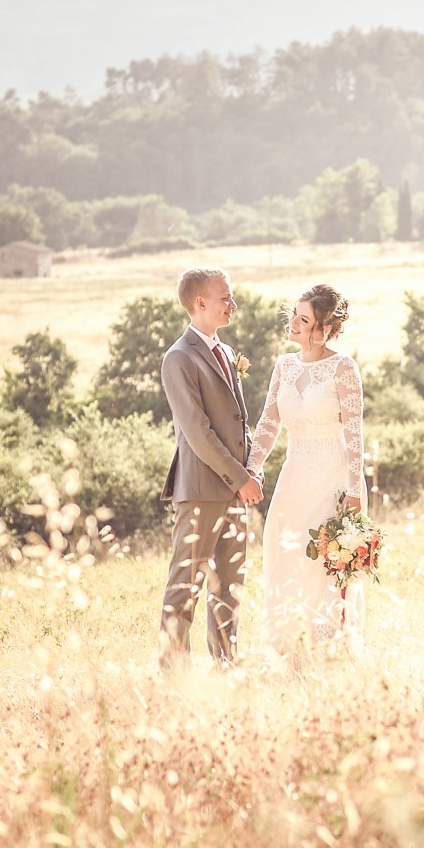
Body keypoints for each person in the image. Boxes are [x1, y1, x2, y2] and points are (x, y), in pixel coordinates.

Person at [247, 283, 366, 657]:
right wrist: (251, 468)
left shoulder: (343, 368)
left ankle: (326, 647)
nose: (293, 324)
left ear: (325, 328)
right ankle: (286, 646)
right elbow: (268, 423)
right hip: (294, 474)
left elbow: (354, 435)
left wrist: (355, 489)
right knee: (285, 552)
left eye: (304, 319)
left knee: (321, 560)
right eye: (294, 316)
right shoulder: (284, 365)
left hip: (332, 478)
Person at [158, 267, 263, 672]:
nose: (232, 304)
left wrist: (252, 473)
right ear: (200, 303)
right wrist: (241, 479)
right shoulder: (179, 358)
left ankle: (226, 665)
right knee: (186, 586)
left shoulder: (225, 352)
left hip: (236, 491)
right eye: (225, 297)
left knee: (229, 587)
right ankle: (174, 673)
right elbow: (198, 433)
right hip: (202, 490)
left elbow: (241, 423)